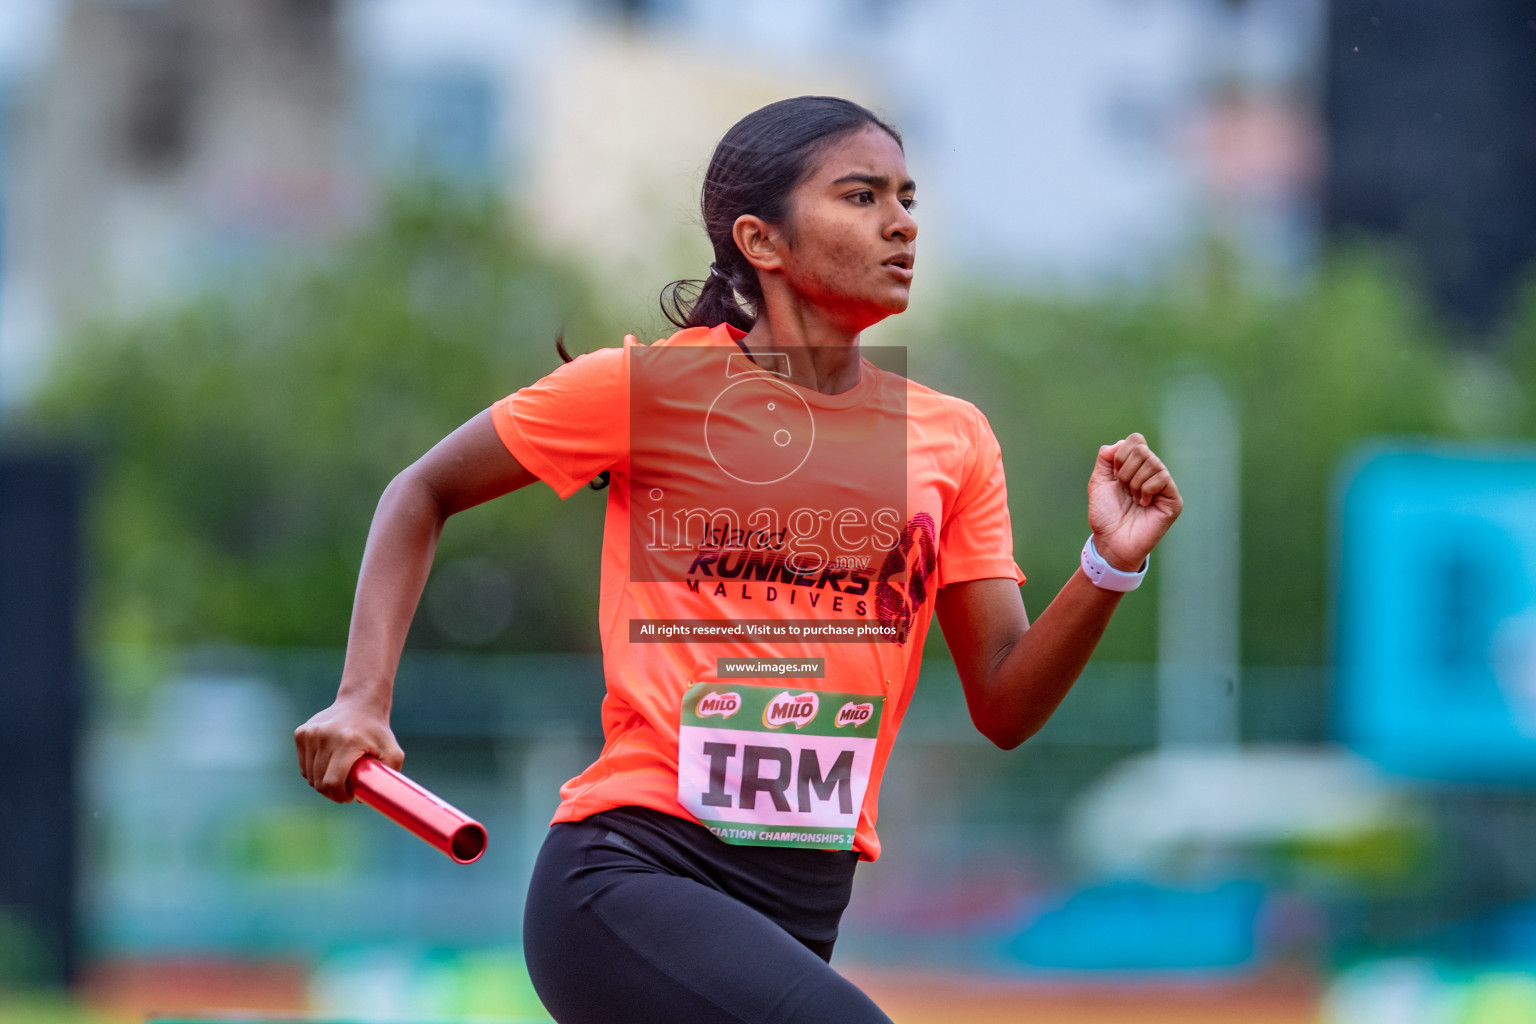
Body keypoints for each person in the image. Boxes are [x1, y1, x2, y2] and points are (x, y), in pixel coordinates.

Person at [295, 96, 1181, 1024]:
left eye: (908, 197)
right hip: (632, 870)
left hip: (801, 904)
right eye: (861, 195)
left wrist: (1107, 567)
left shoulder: (950, 439)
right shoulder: (647, 390)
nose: (902, 222)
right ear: (762, 240)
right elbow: (420, 491)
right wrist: (363, 694)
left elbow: (1003, 702)